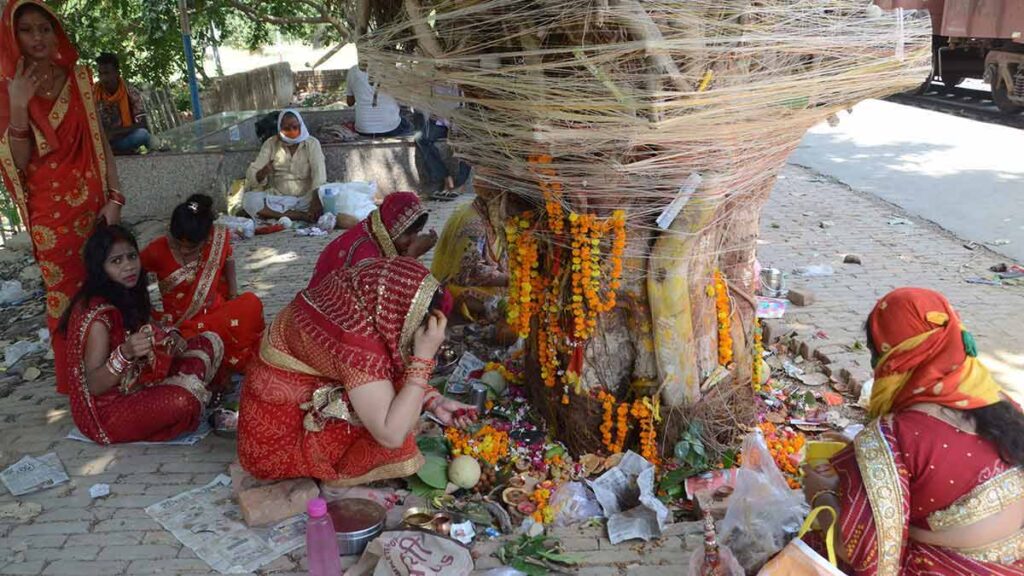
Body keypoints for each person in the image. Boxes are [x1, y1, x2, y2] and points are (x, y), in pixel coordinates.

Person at [802, 287, 1024, 575]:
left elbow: (866, 555)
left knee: (815, 545)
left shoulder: (896, 436)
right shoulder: (1005, 406)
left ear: (893, 357)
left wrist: (820, 495)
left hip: (942, 567)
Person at [237, 257, 477, 484]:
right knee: (400, 433)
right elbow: (391, 435)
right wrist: (423, 358)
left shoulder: (363, 296)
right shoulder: (354, 339)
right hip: (276, 443)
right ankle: (337, 479)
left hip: (285, 393)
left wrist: (433, 401)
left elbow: (387, 360)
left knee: (402, 396)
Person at [0, 0, 125, 395]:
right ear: (12, 36)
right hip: (51, 220)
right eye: (27, 30)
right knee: (67, 301)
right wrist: (19, 103)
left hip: (94, 208)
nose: (38, 37)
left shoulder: (80, 79)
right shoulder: (6, 90)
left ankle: (117, 372)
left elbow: (100, 142)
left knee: (110, 286)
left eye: (45, 28)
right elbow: (17, 162)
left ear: (57, 32)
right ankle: (79, 385)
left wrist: (115, 197)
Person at [60, 224, 224, 444]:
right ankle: (189, 394)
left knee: (208, 342)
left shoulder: (126, 292)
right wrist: (125, 353)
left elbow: (149, 326)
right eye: (116, 261)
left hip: (139, 380)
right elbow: (94, 385)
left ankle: (184, 391)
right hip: (109, 411)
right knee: (184, 400)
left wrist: (169, 337)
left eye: (131, 256)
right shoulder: (99, 317)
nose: (128, 267)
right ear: (100, 268)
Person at [141, 194, 265, 373]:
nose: (183, 251)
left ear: (207, 238)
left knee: (251, 303)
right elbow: (134, 278)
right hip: (180, 325)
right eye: (177, 244)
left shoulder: (217, 240)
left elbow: (228, 260)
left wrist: (232, 295)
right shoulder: (155, 250)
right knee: (187, 341)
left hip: (216, 313)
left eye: (191, 247)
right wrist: (147, 314)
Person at [307, 191, 437, 289]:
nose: (415, 239)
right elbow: (383, 297)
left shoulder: (378, 233)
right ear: (391, 228)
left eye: (418, 232)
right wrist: (411, 257)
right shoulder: (366, 253)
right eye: (408, 233)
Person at [430, 183, 510, 322]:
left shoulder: (486, 213)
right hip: (457, 285)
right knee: (503, 303)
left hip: (481, 279)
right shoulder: (474, 223)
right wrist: (509, 280)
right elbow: (468, 272)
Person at [242, 109, 326, 223]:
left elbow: (319, 174)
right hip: (279, 198)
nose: (291, 131)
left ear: (301, 126)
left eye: (295, 127)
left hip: (307, 198)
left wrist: (316, 200)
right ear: (279, 129)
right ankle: (301, 216)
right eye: (286, 129)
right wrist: (263, 172)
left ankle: (284, 215)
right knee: (249, 200)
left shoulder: (312, 143)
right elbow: (253, 172)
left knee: (328, 196)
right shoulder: (271, 144)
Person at [416, 80, 470, 201]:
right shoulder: (434, 77)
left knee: (466, 143)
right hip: (439, 121)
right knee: (421, 139)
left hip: (460, 121)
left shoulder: (463, 77)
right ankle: (443, 175)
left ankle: (458, 183)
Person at [92, 52, 150, 154]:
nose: (103, 78)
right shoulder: (92, 92)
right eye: (100, 74)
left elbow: (143, 124)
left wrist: (115, 133)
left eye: (107, 73)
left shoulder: (131, 92)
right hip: (100, 141)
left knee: (142, 135)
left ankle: (113, 151)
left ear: (117, 73)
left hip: (122, 139)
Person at [346, 62, 411, 138]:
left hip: (363, 129)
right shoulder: (395, 72)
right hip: (391, 129)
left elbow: (350, 102)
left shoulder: (353, 71)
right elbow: (404, 101)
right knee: (409, 125)